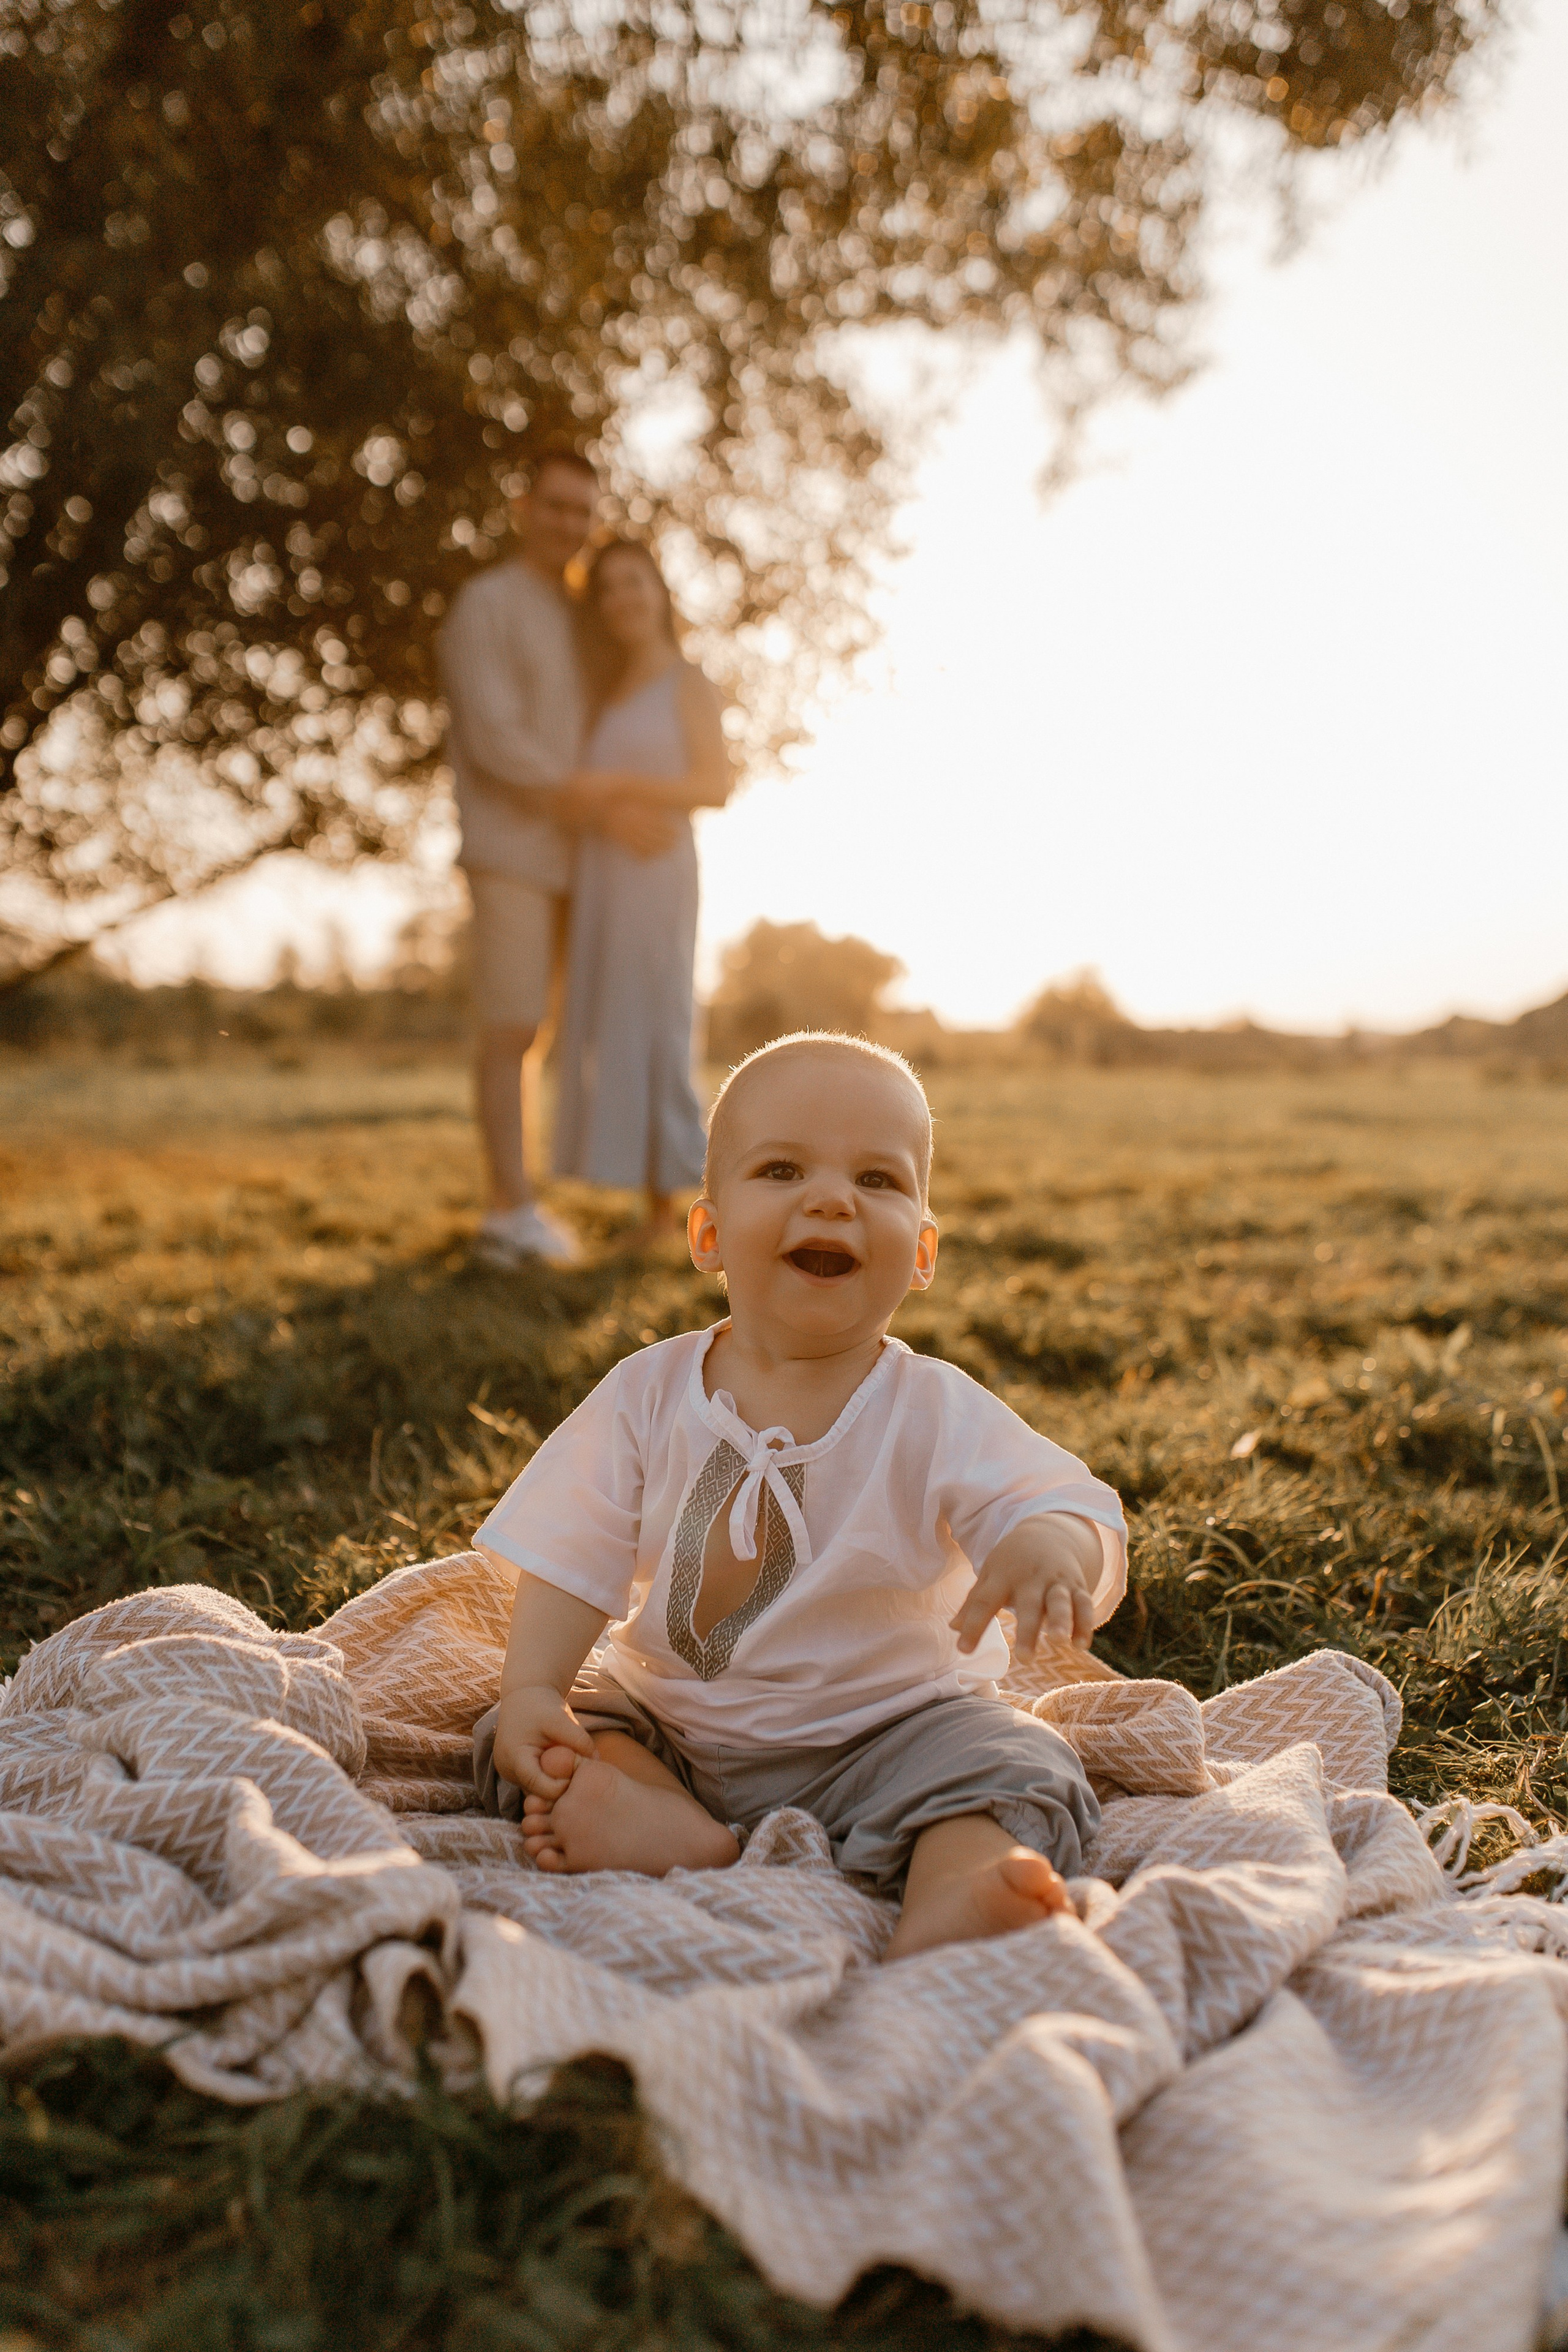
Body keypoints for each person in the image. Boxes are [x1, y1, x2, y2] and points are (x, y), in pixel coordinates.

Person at [471, 1032, 1126, 1962]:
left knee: (1016, 1766)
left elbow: (1060, 1500)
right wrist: (535, 1686)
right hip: (675, 1725)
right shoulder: (646, 1394)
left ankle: (962, 1882)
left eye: (879, 1180)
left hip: (893, 1734)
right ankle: (654, 1816)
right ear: (707, 1234)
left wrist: (1053, 1542)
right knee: (526, 1733)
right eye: (782, 1169)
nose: (831, 1198)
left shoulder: (933, 1408)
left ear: (924, 1252)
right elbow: (576, 1555)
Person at [439, 451, 674, 1270]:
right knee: (510, 1025)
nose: (569, 525)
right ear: (522, 506)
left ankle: (535, 1198)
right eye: (556, 507)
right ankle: (509, 1215)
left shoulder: (581, 616)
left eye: (584, 513)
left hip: (582, 859)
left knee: (542, 1033)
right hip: (511, 849)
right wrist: (603, 801)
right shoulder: (486, 605)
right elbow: (495, 741)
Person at [551, 540, 734, 1246]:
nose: (622, 600)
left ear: (659, 591)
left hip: (657, 872)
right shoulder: (606, 691)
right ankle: (637, 1194)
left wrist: (619, 788)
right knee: (612, 1021)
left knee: (659, 1018)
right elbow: (580, 793)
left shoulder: (688, 683)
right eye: (608, 591)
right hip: (602, 869)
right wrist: (607, 810)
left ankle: (670, 1211)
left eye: (633, 584)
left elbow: (714, 785)